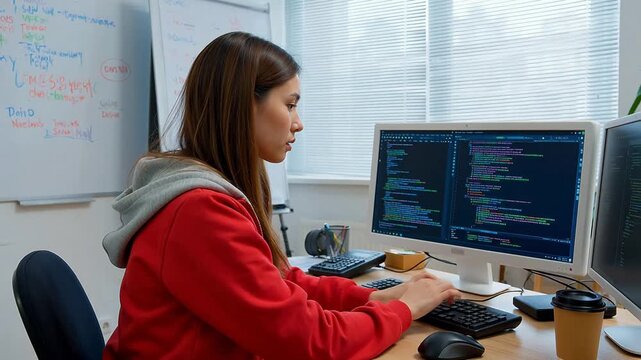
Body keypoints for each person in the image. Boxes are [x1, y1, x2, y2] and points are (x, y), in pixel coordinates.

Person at [102, 31, 460, 359]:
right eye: (290, 105)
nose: (298, 122)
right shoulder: (200, 211)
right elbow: (312, 343)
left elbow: (277, 281)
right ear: (243, 106)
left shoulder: (203, 192)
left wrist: (371, 297)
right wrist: (404, 310)